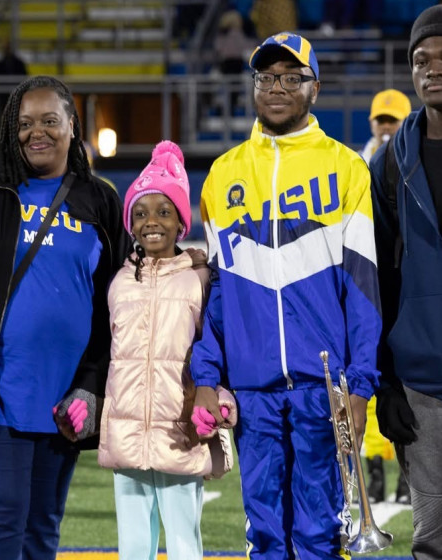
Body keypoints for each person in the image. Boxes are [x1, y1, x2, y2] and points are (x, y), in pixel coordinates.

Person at [0, 75, 129, 560]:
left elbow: (118, 305)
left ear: (72, 126)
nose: (37, 132)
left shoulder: (100, 200)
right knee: (3, 512)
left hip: (66, 400)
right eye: (25, 123)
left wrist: (92, 384)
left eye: (50, 121)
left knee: (43, 523)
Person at [190, 32, 381, 559]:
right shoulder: (222, 175)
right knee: (266, 536)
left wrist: (360, 385)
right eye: (267, 77)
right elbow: (218, 294)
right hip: (252, 389)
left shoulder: (346, 168)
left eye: (291, 77)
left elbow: (363, 287)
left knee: (320, 537)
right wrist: (206, 376)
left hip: (324, 388)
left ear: (314, 88)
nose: (277, 87)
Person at [96, 140, 236, 560]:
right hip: (127, 432)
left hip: (181, 431)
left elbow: (217, 348)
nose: (151, 222)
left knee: (184, 542)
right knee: (133, 545)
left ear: (181, 222)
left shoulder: (201, 280)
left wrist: (221, 399)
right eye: (140, 213)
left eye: (163, 211)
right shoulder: (119, 281)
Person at [370, 5, 442, 558]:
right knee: (432, 541)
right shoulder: (390, 162)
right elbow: (378, 280)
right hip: (422, 384)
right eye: (421, 60)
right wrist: (387, 383)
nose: (432, 69)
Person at [358, 87, 412, 505]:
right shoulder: (359, 165)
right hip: (370, 282)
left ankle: (407, 479)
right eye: (382, 120)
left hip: (405, 285)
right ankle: (375, 476)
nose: (387, 127)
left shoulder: (414, 160)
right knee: (372, 385)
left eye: (394, 120)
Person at [360, 89, 412, 165]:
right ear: (371, 123)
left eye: (393, 120)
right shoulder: (356, 162)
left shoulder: (420, 159)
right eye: (380, 120)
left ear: (408, 123)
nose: (386, 126)